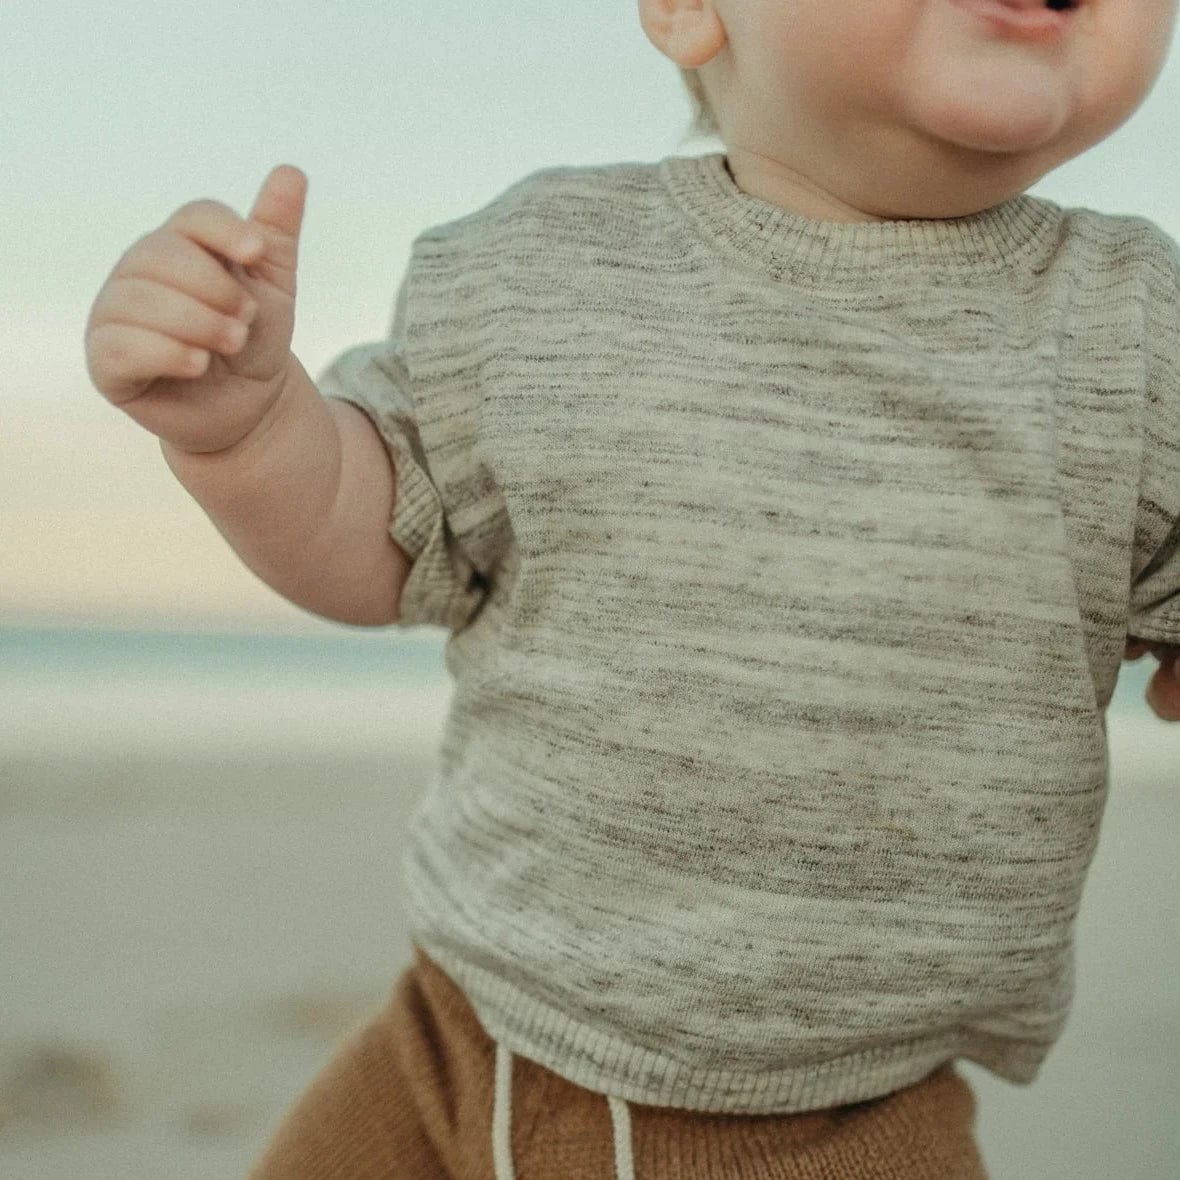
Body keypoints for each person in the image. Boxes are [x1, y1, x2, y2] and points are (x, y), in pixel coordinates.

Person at [84, 1, 1180, 1176]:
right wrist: (250, 432)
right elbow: (389, 542)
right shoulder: (538, 269)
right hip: (453, 1037)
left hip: (838, 1121)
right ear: (687, 8)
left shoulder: (1137, 335)